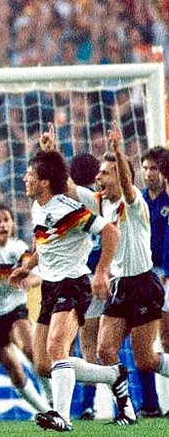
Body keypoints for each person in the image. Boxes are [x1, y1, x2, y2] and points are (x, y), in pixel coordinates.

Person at [10, 145, 126, 433]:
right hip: (50, 286)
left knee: (56, 348)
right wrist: (28, 266)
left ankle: (62, 415)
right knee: (43, 365)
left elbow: (111, 232)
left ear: (44, 182)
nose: (25, 179)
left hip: (73, 284)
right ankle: (113, 375)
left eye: (29, 175)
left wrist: (101, 271)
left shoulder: (68, 209)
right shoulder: (38, 207)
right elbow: (45, 242)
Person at [94, 126, 169, 423]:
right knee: (105, 350)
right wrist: (51, 154)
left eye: (106, 172)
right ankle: (126, 409)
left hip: (144, 283)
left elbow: (127, 186)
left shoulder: (133, 200)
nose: (99, 177)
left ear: (120, 174)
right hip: (120, 285)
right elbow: (71, 191)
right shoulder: (100, 202)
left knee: (146, 360)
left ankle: (149, 404)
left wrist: (119, 150)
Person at [0, 204, 51, 415]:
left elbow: (38, 274)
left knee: (31, 350)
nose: (3, 225)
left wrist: (30, 280)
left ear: (13, 223)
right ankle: (45, 411)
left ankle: (52, 398)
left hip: (15, 310)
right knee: (14, 370)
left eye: (6, 220)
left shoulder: (18, 248)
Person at [67, 152, 102, 421]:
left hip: (79, 276)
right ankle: (89, 403)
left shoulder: (71, 199)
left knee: (74, 344)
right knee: (94, 344)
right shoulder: (101, 199)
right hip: (103, 273)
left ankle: (81, 403)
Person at [137, 146, 169, 417]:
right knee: (142, 341)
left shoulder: (167, 199)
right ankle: (150, 403)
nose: (148, 173)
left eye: (154, 168)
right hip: (144, 276)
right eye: (145, 168)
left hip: (165, 274)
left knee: (167, 339)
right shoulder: (138, 200)